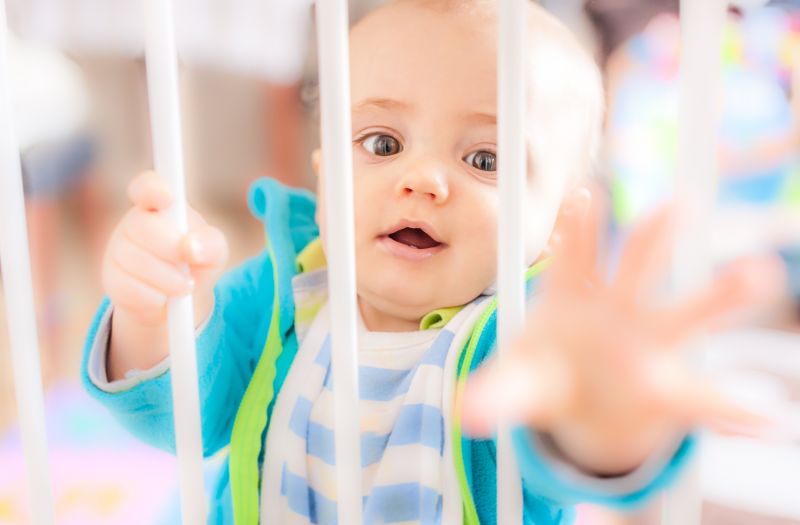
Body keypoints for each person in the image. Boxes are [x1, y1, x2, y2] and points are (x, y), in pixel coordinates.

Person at [81, 0, 780, 523]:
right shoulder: (284, 288)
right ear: (323, 183)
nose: (422, 181)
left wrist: (599, 420)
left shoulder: (523, 328)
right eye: (382, 143)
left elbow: (557, 440)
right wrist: (150, 314)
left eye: (484, 159)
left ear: (559, 226)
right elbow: (181, 418)